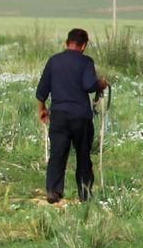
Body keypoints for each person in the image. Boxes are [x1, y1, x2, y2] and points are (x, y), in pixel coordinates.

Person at [35, 28, 110, 203]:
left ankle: (54, 191)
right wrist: (101, 84)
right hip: (80, 117)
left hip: (59, 116)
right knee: (83, 155)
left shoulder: (54, 61)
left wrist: (43, 109)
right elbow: (89, 85)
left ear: (66, 43)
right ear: (84, 46)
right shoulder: (86, 62)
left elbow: (41, 91)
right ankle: (84, 193)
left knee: (57, 154)